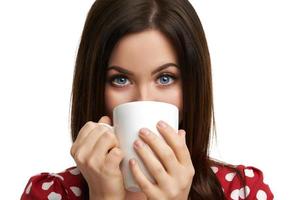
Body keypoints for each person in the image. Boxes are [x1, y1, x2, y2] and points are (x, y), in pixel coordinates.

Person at [21, 0, 274, 199]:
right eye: (121, 79)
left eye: (165, 78)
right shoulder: (50, 194)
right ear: (94, 87)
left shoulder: (242, 192)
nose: (144, 99)